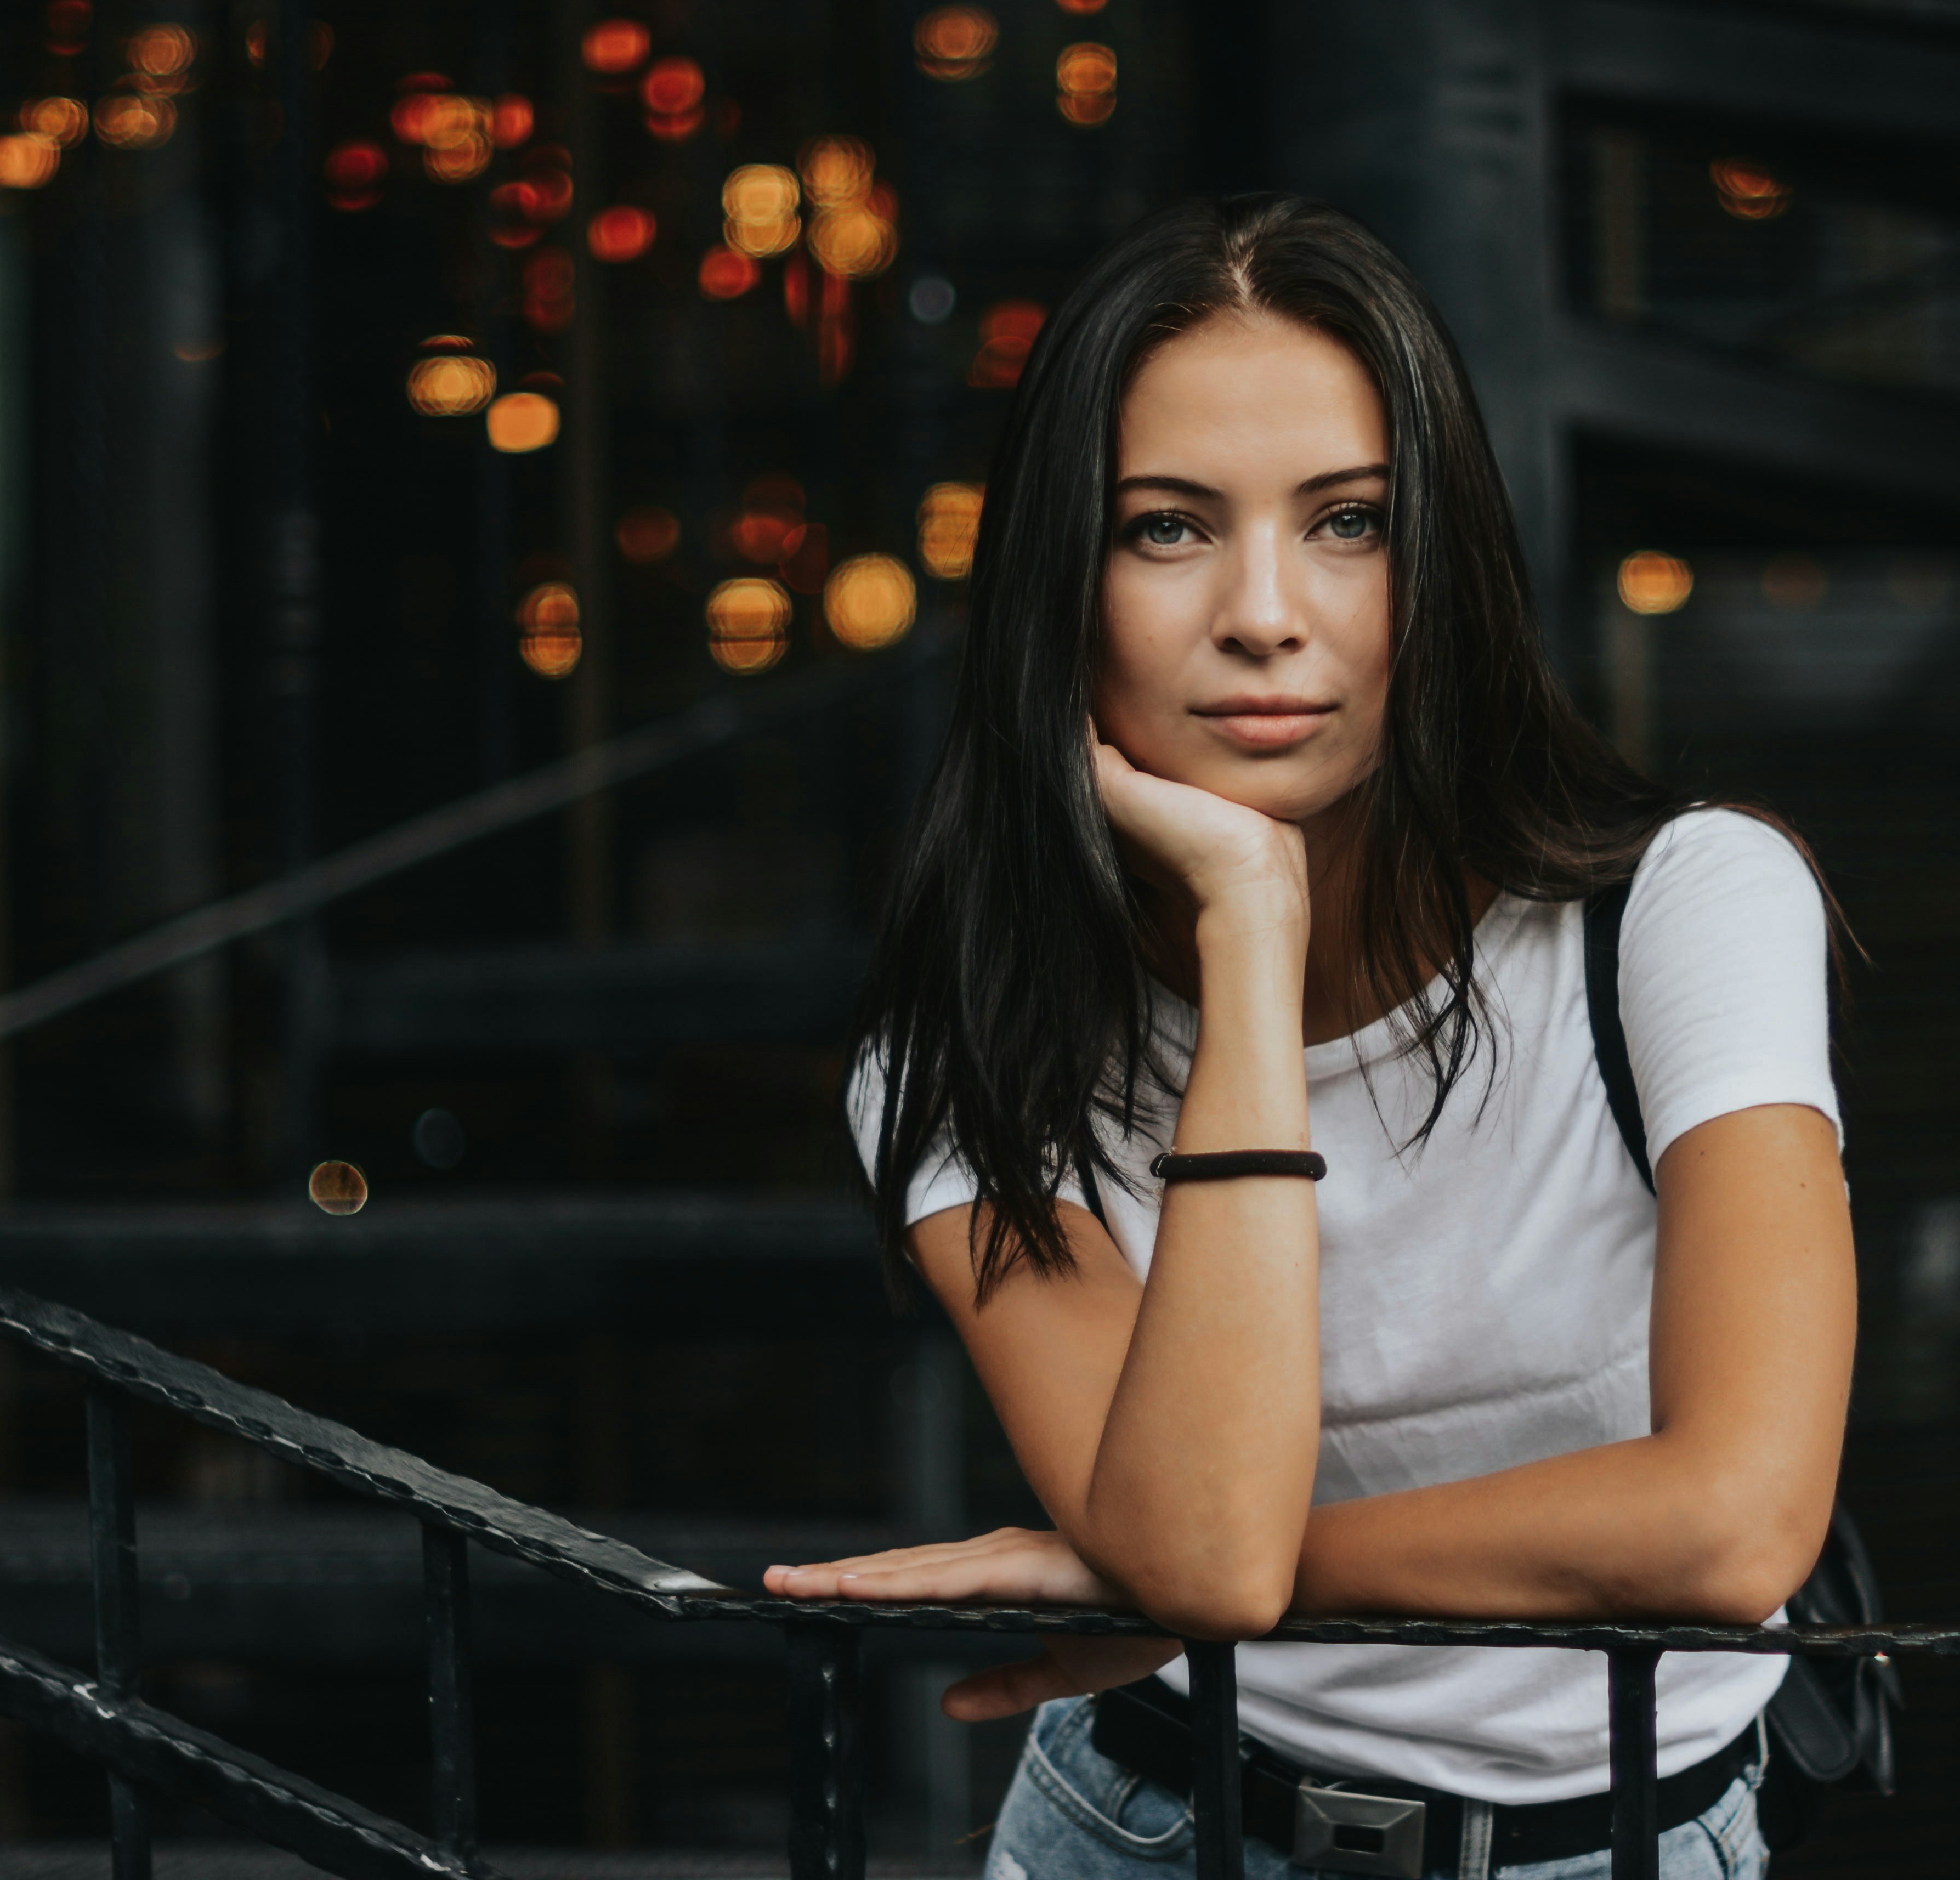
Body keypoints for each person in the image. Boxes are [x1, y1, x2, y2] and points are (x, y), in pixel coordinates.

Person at [764, 195, 1855, 1880]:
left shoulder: (1685, 913)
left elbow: (1736, 1522)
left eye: (1349, 523)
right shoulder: (964, 1044)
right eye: (1168, 529)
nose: (1267, 614)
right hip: (1146, 1831)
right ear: (1063, 580)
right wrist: (1251, 940)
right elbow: (1198, 1547)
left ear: (1449, 564)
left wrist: (1228, 1578)